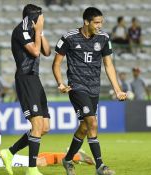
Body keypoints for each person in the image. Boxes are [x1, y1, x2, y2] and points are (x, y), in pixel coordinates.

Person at [52, 7, 127, 175]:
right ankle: (100, 166)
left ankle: (68, 159)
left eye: (101, 22)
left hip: (94, 88)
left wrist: (117, 90)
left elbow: (108, 65)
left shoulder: (104, 38)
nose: (100, 26)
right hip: (77, 87)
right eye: (97, 22)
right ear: (86, 22)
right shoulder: (69, 38)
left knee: (85, 127)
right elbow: (56, 64)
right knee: (92, 122)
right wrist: (60, 83)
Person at [0, 4, 51, 175]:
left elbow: (47, 51)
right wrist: (38, 31)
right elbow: (35, 52)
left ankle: (9, 152)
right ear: (33, 17)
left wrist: (40, 32)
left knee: (44, 127)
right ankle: (31, 169)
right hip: (25, 78)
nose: (42, 19)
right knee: (36, 124)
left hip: (35, 79)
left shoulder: (34, 31)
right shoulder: (20, 30)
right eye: (40, 17)